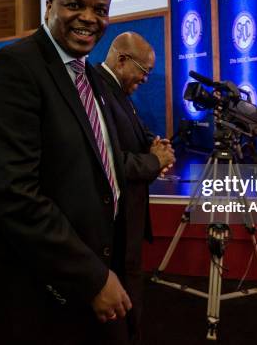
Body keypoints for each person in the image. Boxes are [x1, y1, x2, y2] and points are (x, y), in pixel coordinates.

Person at [0, 0, 133, 344]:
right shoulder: (11, 69)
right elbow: (12, 194)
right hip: (25, 298)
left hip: (78, 287)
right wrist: (92, 277)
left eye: (100, 10)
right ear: (48, 6)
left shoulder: (91, 76)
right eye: (75, 5)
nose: (89, 18)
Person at [95, 32, 175, 344]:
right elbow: (108, 161)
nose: (145, 79)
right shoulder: (97, 90)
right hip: (115, 224)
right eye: (143, 71)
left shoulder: (118, 91)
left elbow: (135, 133)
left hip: (129, 221)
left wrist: (156, 145)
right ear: (122, 60)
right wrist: (154, 162)